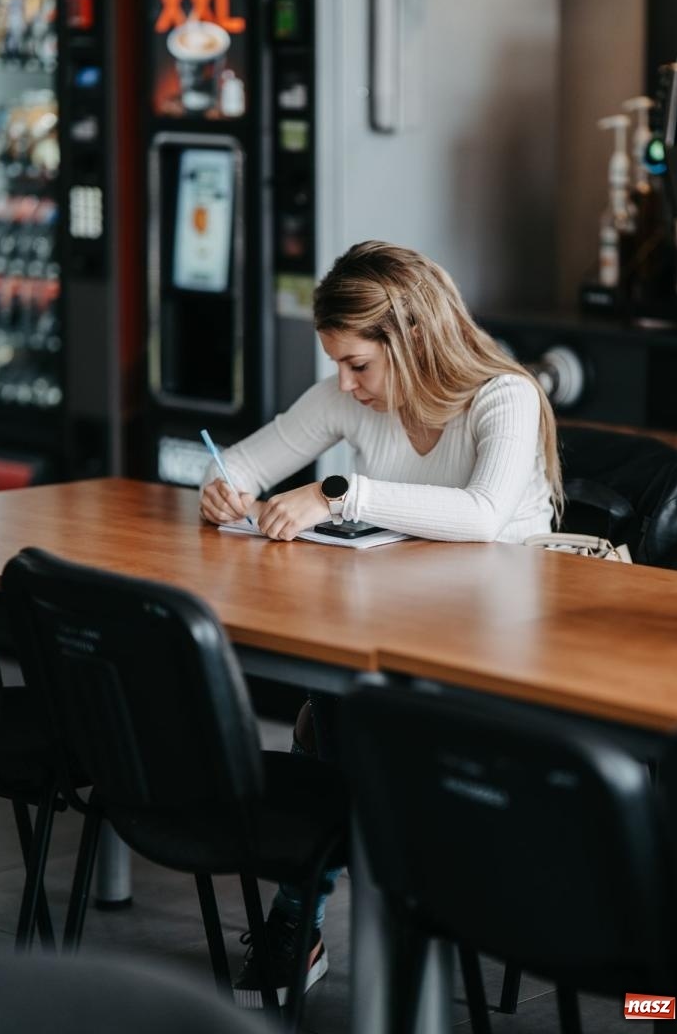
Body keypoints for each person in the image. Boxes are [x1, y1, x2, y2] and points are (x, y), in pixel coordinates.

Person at [199, 240, 563, 1007]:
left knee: (338, 719)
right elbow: (237, 465)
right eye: (336, 364)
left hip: (502, 657)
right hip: (399, 638)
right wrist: (220, 488)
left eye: (357, 363)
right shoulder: (350, 398)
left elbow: (483, 515)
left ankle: (309, 919)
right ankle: (358, 928)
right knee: (341, 707)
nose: (344, 382)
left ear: (415, 337)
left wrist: (336, 494)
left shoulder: (504, 396)